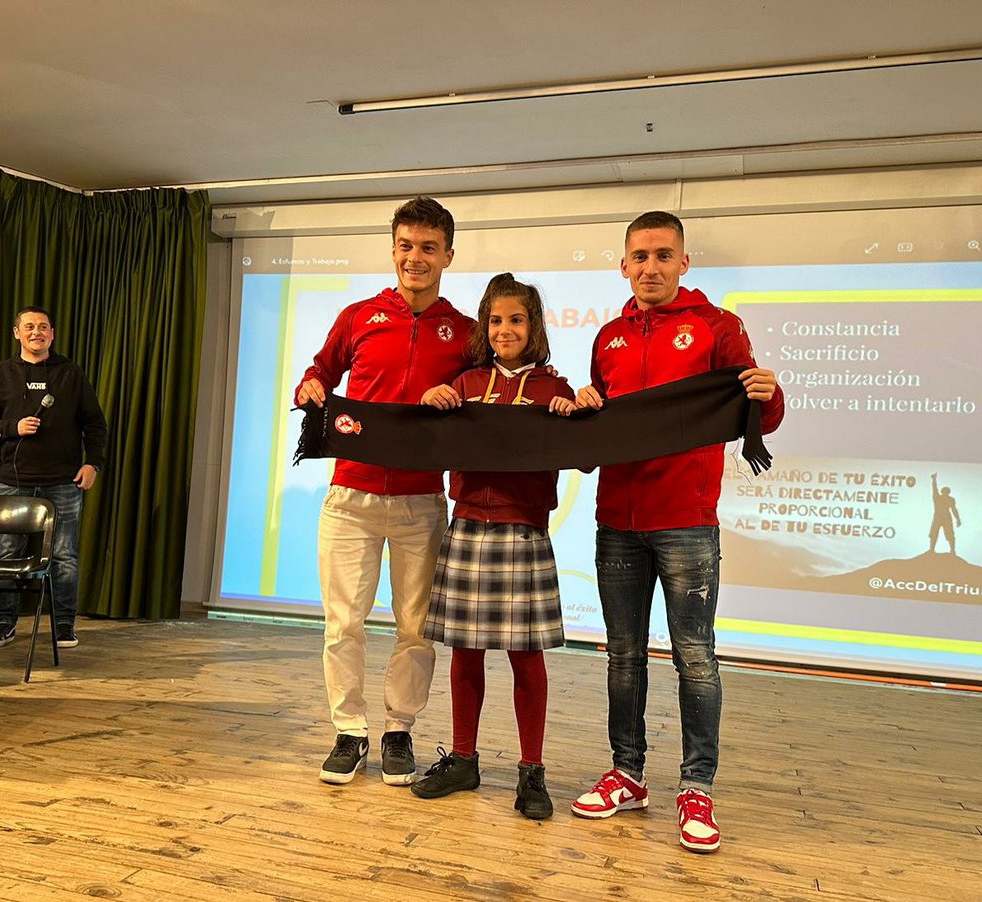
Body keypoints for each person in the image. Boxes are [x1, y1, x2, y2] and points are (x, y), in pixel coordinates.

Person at [571, 211, 784, 853]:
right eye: (639, 256)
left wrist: (768, 396)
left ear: (684, 263)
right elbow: (601, 425)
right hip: (617, 522)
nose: (651, 267)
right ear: (624, 265)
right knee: (623, 654)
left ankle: (697, 788)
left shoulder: (717, 327)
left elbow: (757, 411)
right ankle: (627, 774)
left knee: (694, 655)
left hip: (687, 522)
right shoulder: (606, 337)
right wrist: (583, 408)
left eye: (664, 255)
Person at [295, 196, 475, 786]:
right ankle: (349, 731)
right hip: (351, 497)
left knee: (416, 625)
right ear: (392, 249)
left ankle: (399, 729)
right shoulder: (357, 316)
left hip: (423, 502)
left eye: (428, 248)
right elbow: (320, 370)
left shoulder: (467, 334)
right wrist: (310, 386)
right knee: (341, 623)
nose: (415, 258)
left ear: (448, 254)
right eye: (405, 246)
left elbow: (488, 394)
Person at [410, 273, 576, 820]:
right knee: (466, 651)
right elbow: (428, 432)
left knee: (526, 657)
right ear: (485, 326)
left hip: (524, 530)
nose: (506, 329)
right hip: (468, 527)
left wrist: (579, 412)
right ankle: (463, 758)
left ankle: (532, 771)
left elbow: (587, 452)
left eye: (518, 319)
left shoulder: (557, 389)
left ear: (534, 326)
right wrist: (431, 400)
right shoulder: (463, 383)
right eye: (497, 320)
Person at [0, 306, 107, 650]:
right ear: (17, 333)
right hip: (12, 482)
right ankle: (3, 624)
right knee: (6, 553)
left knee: (64, 556)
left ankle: (63, 625)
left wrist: (94, 465)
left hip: (63, 482)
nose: (36, 332)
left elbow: (95, 424)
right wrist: (11, 427)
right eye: (29, 326)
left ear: (52, 334)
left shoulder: (70, 373)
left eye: (43, 326)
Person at [929, 473, 961, 555]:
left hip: (946, 517)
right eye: (945, 491)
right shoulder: (937, 497)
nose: (945, 493)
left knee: (950, 533)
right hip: (938, 517)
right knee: (934, 533)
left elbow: (954, 509)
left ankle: (952, 550)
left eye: (946, 491)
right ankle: (932, 549)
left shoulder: (950, 499)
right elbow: (934, 489)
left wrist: (958, 519)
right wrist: (934, 480)